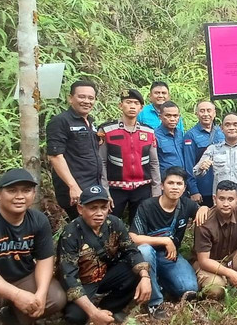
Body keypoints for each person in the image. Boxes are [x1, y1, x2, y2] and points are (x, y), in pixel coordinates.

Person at [0, 168, 66, 325]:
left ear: (33, 194)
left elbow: (45, 259)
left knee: (55, 297)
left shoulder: (38, 220)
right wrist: (16, 295)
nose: (20, 197)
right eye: (12, 191)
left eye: (26, 191)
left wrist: (41, 294)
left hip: (22, 276)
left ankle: (11, 319)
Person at [57, 185, 152, 325]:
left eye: (103, 207)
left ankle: (108, 308)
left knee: (136, 270)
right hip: (82, 282)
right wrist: (92, 313)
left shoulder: (114, 223)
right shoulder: (70, 234)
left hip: (106, 274)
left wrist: (145, 277)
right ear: (80, 209)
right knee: (75, 317)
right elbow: (69, 276)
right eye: (93, 208)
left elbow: (131, 250)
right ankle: (93, 312)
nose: (99, 213)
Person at [129, 166, 208, 319]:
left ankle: (159, 280)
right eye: (170, 183)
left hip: (169, 258)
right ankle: (155, 303)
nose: (174, 187)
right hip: (147, 256)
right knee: (145, 250)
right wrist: (164, 240)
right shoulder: (147, 206)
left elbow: (205, 213)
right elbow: (133, 237)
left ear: (184, 188)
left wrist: (204, 207)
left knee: (189, 289)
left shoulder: (187, 205)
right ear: (162, 185)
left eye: (179, 184)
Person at [98, 89, 162, 225]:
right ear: (120, 105)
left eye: (136, 103)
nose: (132, 106)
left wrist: (156, 192)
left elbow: (154, 163)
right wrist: (105, 191)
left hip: (142, 188)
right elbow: (101, 162)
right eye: (128, 102)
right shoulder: (107, 130)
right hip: (115, 188)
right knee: (109, 224)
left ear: (141, 108)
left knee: (140, 225)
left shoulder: (149, 132)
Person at [46, 80, 103, 219]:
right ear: (70, 98)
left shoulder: (91, 121)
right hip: (76, 188)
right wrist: (73, 186)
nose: (87, 101)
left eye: (91, 98)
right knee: (81, 229)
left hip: (93, 185)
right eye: (81, 97)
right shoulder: (60, 121)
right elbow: (55, 156)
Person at [183, 100, 225, 207]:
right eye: (202, 111)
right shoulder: (190, 135)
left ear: (214, 113)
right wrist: (193, 190)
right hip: (203, 189)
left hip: (222, 188)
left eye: (209, 111)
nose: (206, 114)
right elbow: (188, 165)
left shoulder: (221, 133)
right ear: (197, 114)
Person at [155, 101, 187, 177]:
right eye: (168, 116)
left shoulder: (180, 134)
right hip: (166, 179)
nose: (172, 119)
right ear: (160, 117)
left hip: (182, 178)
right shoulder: (154, 136)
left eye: (175, 116)